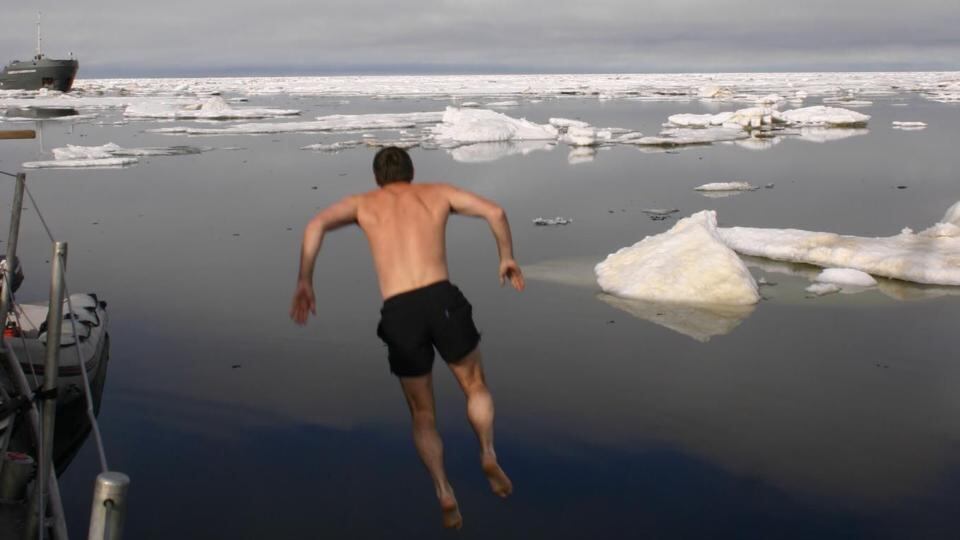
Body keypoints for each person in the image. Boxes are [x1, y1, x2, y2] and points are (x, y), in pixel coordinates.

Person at [290, 146, 525, 529]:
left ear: (376, 178)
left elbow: (315, 225)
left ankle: (443, 490)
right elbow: (495, 211)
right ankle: (486, 451)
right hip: (441, 298)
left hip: (399, 310)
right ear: (411, 172)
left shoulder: (364, 203)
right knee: (474, 385)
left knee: (422, 413)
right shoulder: (437, 193)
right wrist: (506, 256)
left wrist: (304, 280)